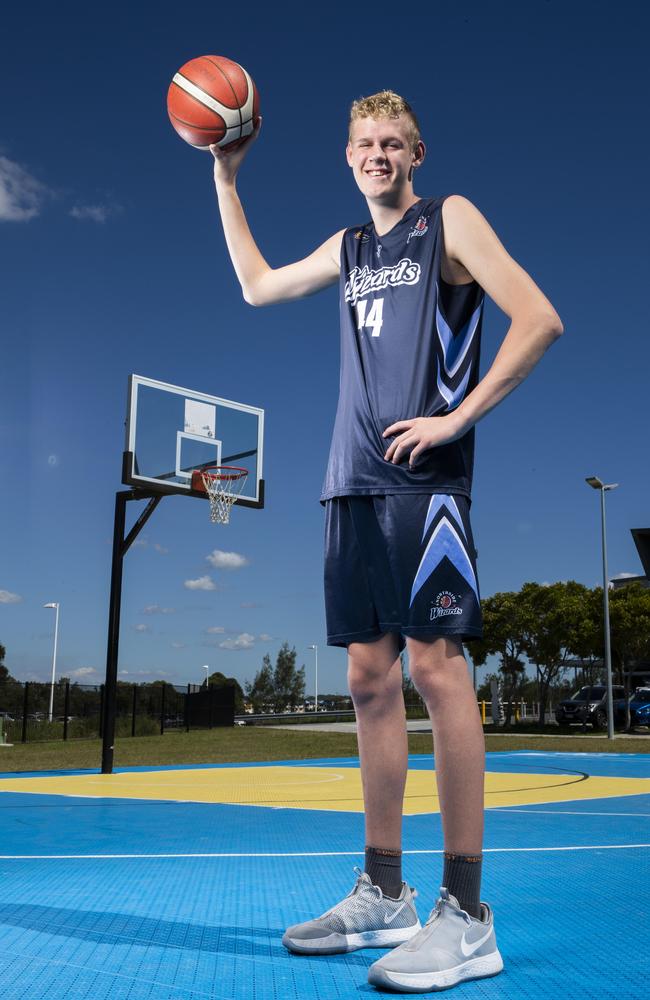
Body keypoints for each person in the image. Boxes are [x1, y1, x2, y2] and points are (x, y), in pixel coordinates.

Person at [210, 90, 562, 993]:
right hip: (350, 483)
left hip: (423, 482)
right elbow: (255, 287)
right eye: (364, 142)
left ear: (417, 154)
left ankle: (467, 912)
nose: (378, 154)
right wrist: (226, 174)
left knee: (436, 671)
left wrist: (455, 420)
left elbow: (538, 320)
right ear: (348, 154)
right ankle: (385, 891)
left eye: (393, 143)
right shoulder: (350, 247)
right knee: (368, 680)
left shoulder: (448, 221)